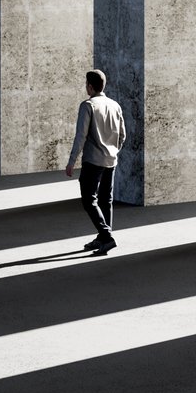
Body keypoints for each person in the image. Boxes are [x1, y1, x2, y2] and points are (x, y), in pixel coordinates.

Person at [62, 69, 128, 255]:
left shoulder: (87, 106)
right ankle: (102, 238)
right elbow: (123, 135)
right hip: (111, 160)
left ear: (89, 86)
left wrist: (71, 161)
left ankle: (106, 236)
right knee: (106, 200)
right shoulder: (115, 105)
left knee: (88, 200)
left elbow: (80, 136)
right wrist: (113, 151)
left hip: (93, 160)